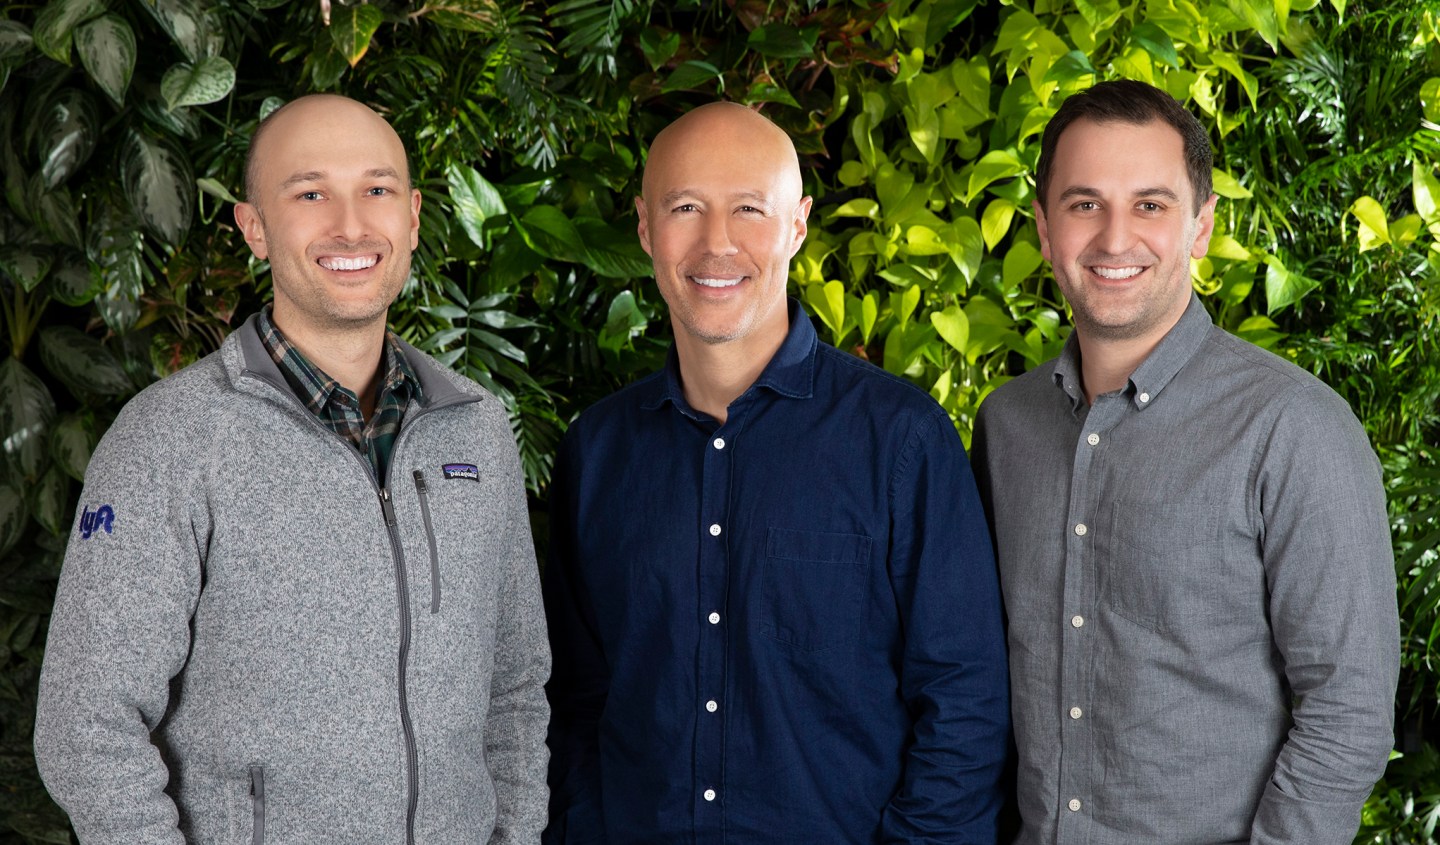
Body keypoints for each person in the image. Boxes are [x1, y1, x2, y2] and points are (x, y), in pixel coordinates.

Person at [34, 94, 550, 844]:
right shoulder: (170, 438)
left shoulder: (477, 430)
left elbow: (515, 688)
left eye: (377, 189)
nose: (351, 225)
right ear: (255, 228)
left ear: (411, 218)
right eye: (310, 194)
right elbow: (86, 724)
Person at [542, 101, 1010, 844]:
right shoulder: (597, 451)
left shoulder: (900, 440)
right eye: (685, 207)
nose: (716, 242)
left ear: (797, 225)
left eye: (749, 209)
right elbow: (574, 701)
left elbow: (964, 704)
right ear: (645, 228)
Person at [971, 79, 1399, 844]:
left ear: (1201, 227)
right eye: (1084, 204)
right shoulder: (1006, 426)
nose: (1114, 238)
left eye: (1150, 205)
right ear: (1043, 227)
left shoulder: (1294, 428)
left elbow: (1349, 708)